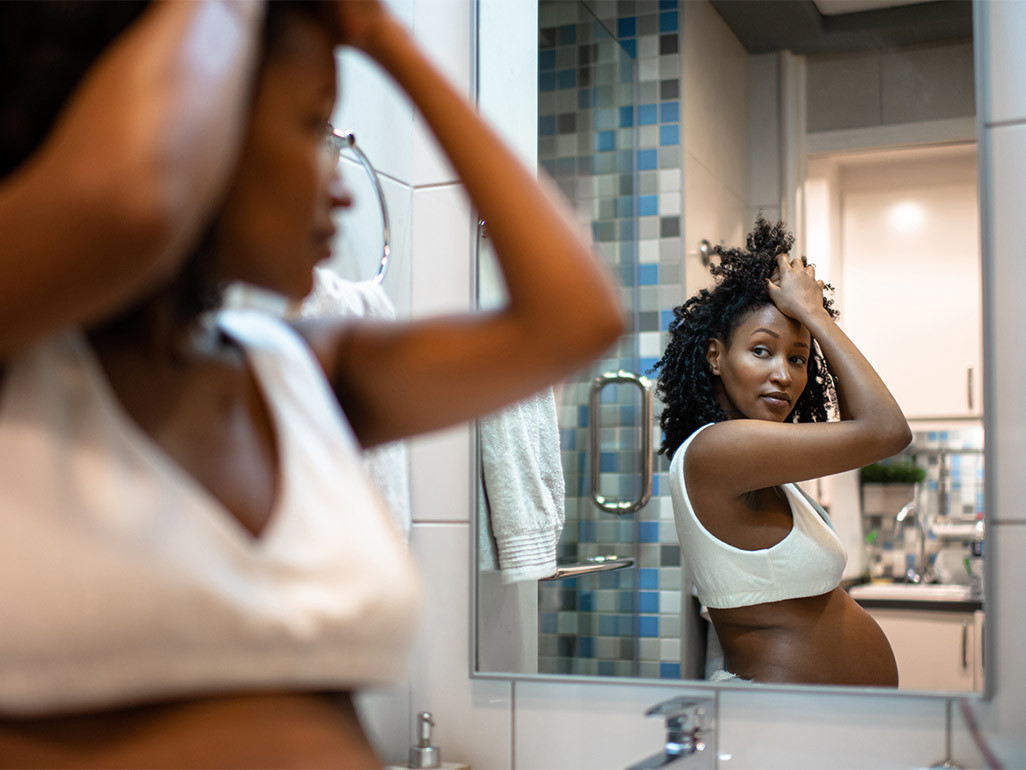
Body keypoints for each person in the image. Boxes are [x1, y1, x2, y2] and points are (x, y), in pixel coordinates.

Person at [0, 1, 623, 767]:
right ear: (201, 130)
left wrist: (391, 43)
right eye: (309, 127)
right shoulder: (18, 351)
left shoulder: (296, 368)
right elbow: (133, 203)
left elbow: (576, 318)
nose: (344, 189)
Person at [654, 217, 909, 686]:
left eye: (797, 358)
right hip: (779, 726)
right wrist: (816, 316)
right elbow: (886, 430)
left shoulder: (758, 466)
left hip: (812, 729)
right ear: (715, 357)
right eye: (761, 351)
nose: (784, 375)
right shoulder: (720, 448)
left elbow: (870, 430)